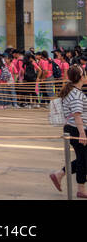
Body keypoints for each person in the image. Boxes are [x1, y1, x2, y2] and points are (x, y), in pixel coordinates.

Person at [51, 64, 87, 197]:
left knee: (83, 159)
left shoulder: (71, 91)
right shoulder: (76, 94)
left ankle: (60, 174)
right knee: (83, 160)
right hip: (77, 129)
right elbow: (77, 114)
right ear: (81, 77)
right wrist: (82, 133)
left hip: (73, 128)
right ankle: (81, 189)